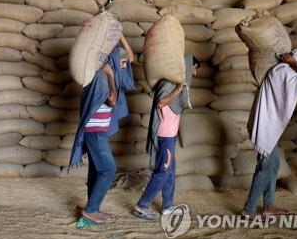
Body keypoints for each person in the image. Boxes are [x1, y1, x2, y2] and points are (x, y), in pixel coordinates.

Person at [241, 48, 297, 219]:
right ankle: (249, 209)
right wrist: (295, 64)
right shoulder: (283, 72)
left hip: (269, 128)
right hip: (266, 128)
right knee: (264, 168)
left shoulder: (284, 73)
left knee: (273, 165)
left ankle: (269, 206)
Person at [69, 35, 135, 225]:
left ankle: (92, 206)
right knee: (108, 169)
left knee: (96, 169)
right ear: (113, 61)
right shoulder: (100, 76)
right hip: (94, 132)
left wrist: (120, 37)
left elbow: (131, 58)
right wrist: (111, 75)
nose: (125, 66)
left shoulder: (105, 72)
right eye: (121, 63)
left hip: (97, 132)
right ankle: (91, 210)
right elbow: (112, 100)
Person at [133, 55, 200, 220]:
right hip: (164, 136)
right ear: (188, 66)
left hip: (170, 135)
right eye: (194, 68)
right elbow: (161, 104)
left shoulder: (177, 85)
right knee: (163, 171)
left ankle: (168, 206)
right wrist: (178, 89)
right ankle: (142, 205)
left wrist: (180, 89)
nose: (195, 73)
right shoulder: (168, 85)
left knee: (170, 172)